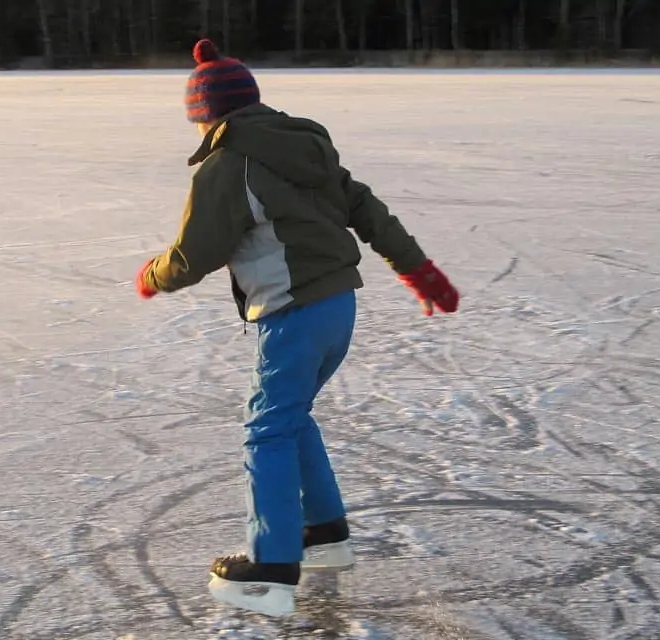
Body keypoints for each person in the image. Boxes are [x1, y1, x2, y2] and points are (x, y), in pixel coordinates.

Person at [133, 39, 459, 617]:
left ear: (204, 114)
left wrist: (154, 276)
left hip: (293, 310)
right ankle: (324, 533)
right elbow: (367, 210)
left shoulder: (228, 164)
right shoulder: (307, 146)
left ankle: (272, 566)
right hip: (338, 306)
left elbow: (195, 252)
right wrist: (419, 271)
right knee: (291, 415)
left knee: (267, 429)